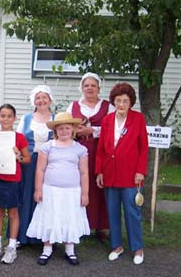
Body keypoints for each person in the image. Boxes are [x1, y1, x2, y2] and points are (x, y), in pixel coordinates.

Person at [26, 112, 90, 266]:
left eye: (67, 128)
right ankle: (47, 248)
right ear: (55, 130)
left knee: (70, 218)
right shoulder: (47, 147)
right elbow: (40, 169)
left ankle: (70, 249)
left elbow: (84, 172)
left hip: (72, 191)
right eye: (60, 128)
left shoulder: (80, 149)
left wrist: (85, 193)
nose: (64, 131)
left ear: (73, 129)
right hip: (51, 190)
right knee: (50, 216)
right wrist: (38, 190)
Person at [95, 82, 148, 265]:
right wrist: (99, 171)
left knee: (133, 212)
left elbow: (143, 149)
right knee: (112, 212)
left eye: (125, 101)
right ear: (114, 101)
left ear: (131, 102)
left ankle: (137, 248)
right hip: (109, 174)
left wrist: (140, 171)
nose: (121, 104)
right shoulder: (107, 120)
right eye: (118, 100)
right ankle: (116, 246)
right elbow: (101, 148)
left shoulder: (138, 119)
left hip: (131, 175)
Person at [66, 72, 115, 242]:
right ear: (82, 87)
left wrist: (92, 131)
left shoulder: (108, 107)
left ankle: (100, 226)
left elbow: (113, 128)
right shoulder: (73, 106)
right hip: (77, 151)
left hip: (100, 150)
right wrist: (75, 130)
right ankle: (79, 224)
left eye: (93, 85)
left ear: (98, 88)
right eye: (86, 85)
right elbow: (64, 126)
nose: (89, 88)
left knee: (98, 186)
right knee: (79, 185)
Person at [0, 104, 31, 264]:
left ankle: (11, 247)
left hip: (13, 179)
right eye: (2, 116)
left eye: (9, 116)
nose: (5, 119)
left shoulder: (19, 137)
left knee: (12, 213)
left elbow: (27, 159)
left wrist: (18, 156)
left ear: (14, 118)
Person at [15, 85, 55, 245]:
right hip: (28, 164)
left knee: (45, 198)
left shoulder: (56, 119)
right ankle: (21, 236)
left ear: (50, 99)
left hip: (49, 165)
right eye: (38, 98)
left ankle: (42, 238)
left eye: (44, 97)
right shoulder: (26, 119)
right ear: (34, 101)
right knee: (25, 197)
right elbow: (17, 140)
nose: (41, 100)